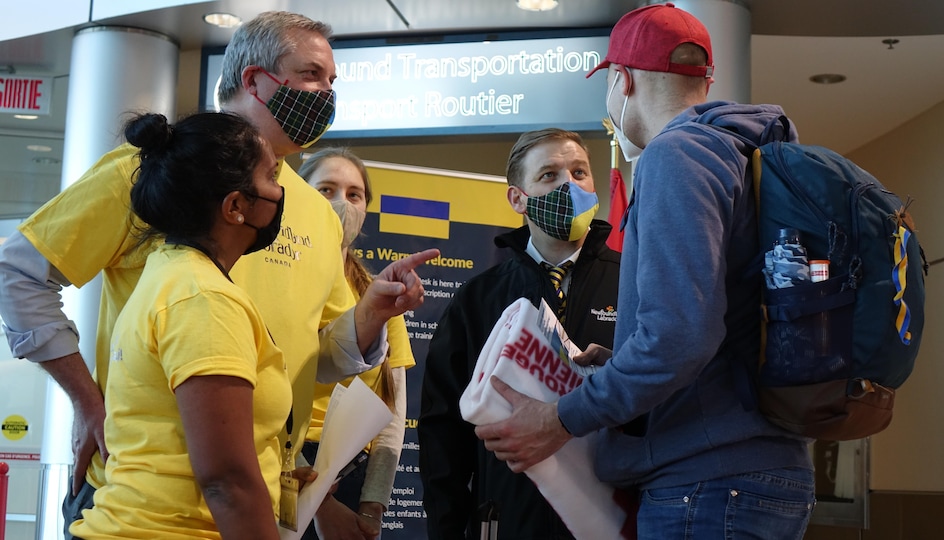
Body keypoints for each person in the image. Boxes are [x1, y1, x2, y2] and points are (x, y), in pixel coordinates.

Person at [0, 11, 437, 538]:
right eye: (312, 75)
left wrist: (371, 314)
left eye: (332, 81)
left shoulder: (312, 210)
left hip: (259, 496)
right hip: (147, 493)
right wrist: (88, 402)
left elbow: (311, 357)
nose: (327, 93)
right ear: (254, 79)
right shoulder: (153, 169)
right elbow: (18, 273)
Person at [473, 5, 816, 539]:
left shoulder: (674, 156)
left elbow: (679, 339)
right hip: (755, 470)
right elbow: (723, 327)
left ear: (622, 80)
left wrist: (560, 418)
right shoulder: (742, 154)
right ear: (705, 79)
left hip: (706, 483)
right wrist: (622, 360)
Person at [69, 111, 289, 539]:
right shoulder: (203, 299)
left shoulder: (166, 271)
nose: (280, 192)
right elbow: (228, 482)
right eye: (272, 176)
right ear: (235, 207)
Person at [418, 128, 621, 539]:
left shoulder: (634, 280)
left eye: (579, 172)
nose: (569, 184)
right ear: (517, 199)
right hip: (508, 520)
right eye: (549, 175)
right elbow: (443, 434)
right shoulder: (478, 299)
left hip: (610, 517)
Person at [298, 147, 415, 540]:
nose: (340, 204)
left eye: (354, 195)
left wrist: (373, 505)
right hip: (287, 466)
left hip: (352, 470)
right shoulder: (277, 280)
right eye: (325, 190)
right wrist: (315, 500)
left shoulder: (378, 292)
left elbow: (392, 410)